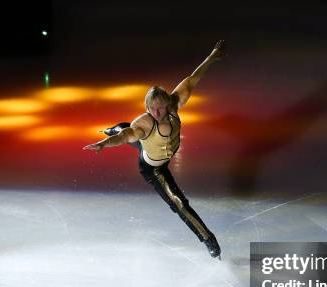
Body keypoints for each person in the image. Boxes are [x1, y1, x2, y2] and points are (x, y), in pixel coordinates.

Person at [83, 40, 226, 259]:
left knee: (135, 140)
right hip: (154, 168)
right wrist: (104, 144)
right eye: (153, 109)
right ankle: (207, 238)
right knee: (179, 203)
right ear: (147, 108)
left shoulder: (175, 105)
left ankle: (114, 127)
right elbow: (126, 136)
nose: (158, 112)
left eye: (161, 107)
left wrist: (211, 57)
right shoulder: (145, 123)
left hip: (154, 149)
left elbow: (192, 79)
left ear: (168, 103)